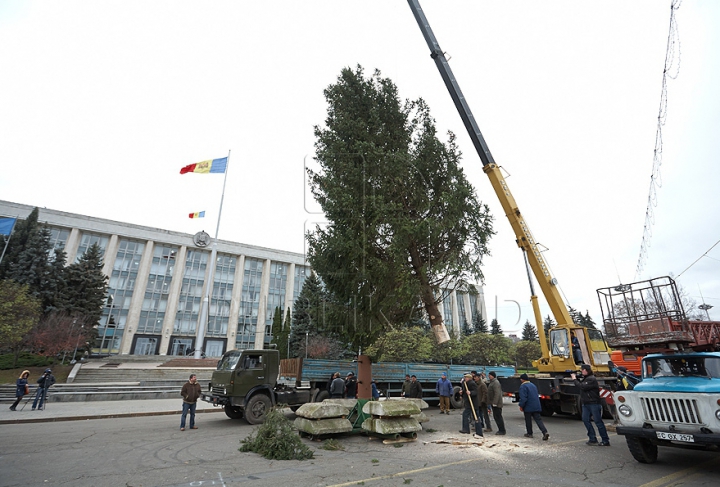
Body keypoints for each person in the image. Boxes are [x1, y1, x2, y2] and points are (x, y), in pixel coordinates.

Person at [571, 364, 610, 446]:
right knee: (585, 420)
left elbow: (582, 386)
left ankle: (605, 440)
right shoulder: (586, 378)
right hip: (586, 403)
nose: (581, 371)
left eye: (582, 370)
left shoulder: (591, 379)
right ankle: (592, 438)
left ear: (586, 370)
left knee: (598, 421)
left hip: (594, 403)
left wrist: (574, 379)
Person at [518, 374, 549, 440]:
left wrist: (521, 405)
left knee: (528, 420)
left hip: (528, 406)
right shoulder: (533, 385)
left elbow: (523, 398)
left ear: (522, 379)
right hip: (536, 405)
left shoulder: (523, 387)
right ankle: (544, 432)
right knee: (538, 420)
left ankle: (530, 433)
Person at [458, 373, 483, 439]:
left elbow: (475, 392)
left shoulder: (472, 383)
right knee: (466, 415)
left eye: (466, 377)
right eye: (464, 377)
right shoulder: (465, 383)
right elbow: (465, 391)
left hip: (473, 404)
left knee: (476, 417)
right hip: (468, 403)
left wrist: (471, 393)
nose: (465, 378)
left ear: (469, 378)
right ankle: (466, 429)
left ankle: (479, 432)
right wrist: (462, 393)